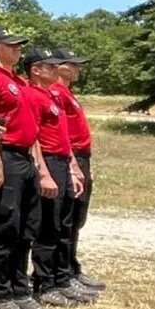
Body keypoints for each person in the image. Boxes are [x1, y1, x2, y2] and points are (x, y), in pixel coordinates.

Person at [0, 31, 58, 309]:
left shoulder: (17, 80)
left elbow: (31, 125)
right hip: (4, 156)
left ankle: (20, 290)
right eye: (12, 45)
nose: (19, 49)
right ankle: (1, 294)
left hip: (25, 157)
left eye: (21, 45)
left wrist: (37, 164)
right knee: (6, 226)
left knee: (27, 227)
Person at [21, 46, 93, 308]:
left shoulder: (49, 95)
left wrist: (73, 165)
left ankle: (59, 278)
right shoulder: (35, 95)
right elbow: (35, 136)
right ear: (36, 70)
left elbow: (63, 136)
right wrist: (44, 172)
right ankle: (44, 283)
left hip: (62, 160)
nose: (56, 69)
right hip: (48, 161)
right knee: (48, 226)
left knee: (62, 222)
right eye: (50, 66)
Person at [52, 49, 106, 294]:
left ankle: (71, 266)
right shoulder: (55, 92)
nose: (77, 69)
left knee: (76, 216)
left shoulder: (67, 92)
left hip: (80, 156)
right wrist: (72, 162)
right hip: (68, 155)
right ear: (60, 67)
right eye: (72, 64)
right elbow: (60, 131)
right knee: (66, 217)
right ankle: (61, 271)